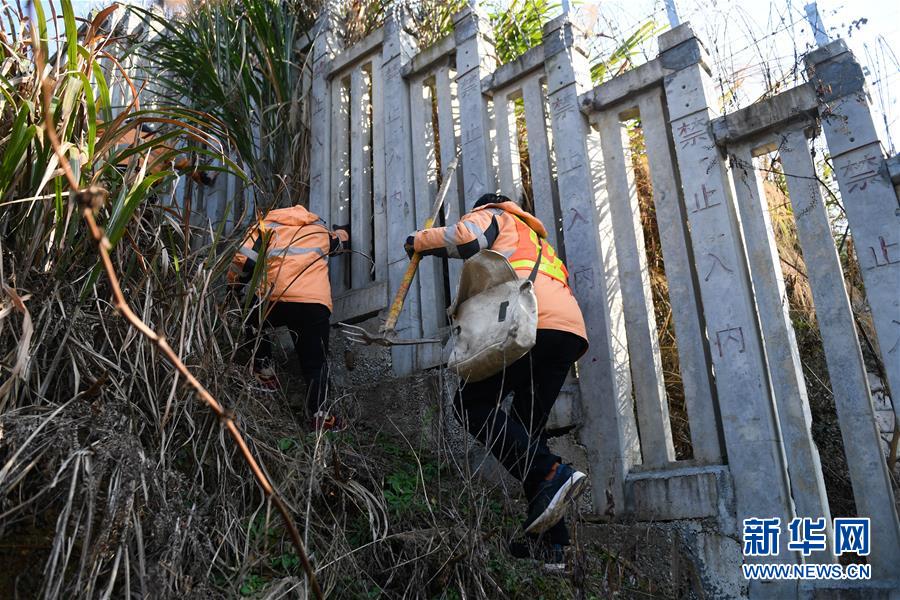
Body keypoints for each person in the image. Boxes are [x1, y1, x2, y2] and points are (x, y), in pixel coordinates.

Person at [405, 192, 589, 570]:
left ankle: (553, 472)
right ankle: (553, 545)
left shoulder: (495, 215)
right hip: (567, 332)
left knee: (469, 404)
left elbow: (466, 239)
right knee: (526, 435)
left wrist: (418, 242)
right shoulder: (538, 239)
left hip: (531, 323)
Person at [229, 204, 349, 430]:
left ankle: (265, 373)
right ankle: (319, 416)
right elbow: (340, 243)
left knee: (251, 320)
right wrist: (343, 231)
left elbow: (244, 261)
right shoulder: (318, 230)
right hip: (313, 303)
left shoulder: (265, 225)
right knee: (316, 363)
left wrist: (233, 286)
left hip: (273, 297)